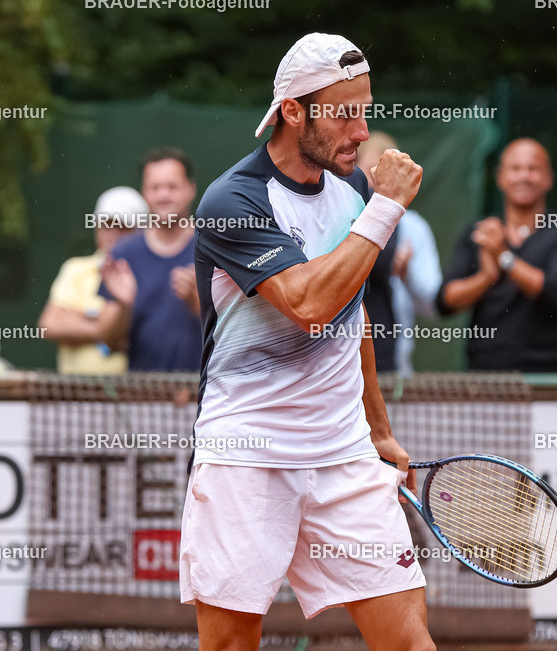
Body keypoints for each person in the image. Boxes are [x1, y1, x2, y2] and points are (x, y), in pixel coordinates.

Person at [180, 33, 433, 650]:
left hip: (344, 457)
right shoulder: (232, 200)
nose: (361, 130)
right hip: (247, 456)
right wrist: (386, 210)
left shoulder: (352, 194)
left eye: (365, 111)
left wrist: (378, 431)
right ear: (293, 111)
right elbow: (309, 306)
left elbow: (352, 318)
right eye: (344, 113)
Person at [436, 138, 557, 371]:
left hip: (544, 375)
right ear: (500, 177)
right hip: (483, 375)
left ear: (548, 178)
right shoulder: (480, 232)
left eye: (533, 169)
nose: (524, 176)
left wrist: (504, 258)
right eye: (516, 169)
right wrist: (487, 277)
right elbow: (444, 301)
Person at [96, 147, 202, 371]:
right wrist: (124, 306)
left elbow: (240, 334)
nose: (163, 195)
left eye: (172, 187)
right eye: (155, 187)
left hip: (207, 398)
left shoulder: (216, 247)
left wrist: (199, 302)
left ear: (191, 189)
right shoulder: (123, 254)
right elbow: (107, 343)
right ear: (144, 193)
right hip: (143, 398)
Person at [37, 187, 149, 374]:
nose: (111, 232)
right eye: (105, 224)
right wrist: (111, 331)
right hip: (75, 395)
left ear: (141, 231)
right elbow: (49, 324)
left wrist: (81, 319)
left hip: (132, 395)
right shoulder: (75, 269)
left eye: (122, 226)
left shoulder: (150, 274)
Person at [357, 132, 442, 377]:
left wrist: (405, 274)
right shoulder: (339, 217)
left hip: (394, 370)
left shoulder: (413, 228)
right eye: (368, 174)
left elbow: (431, 304)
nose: (375, 186)